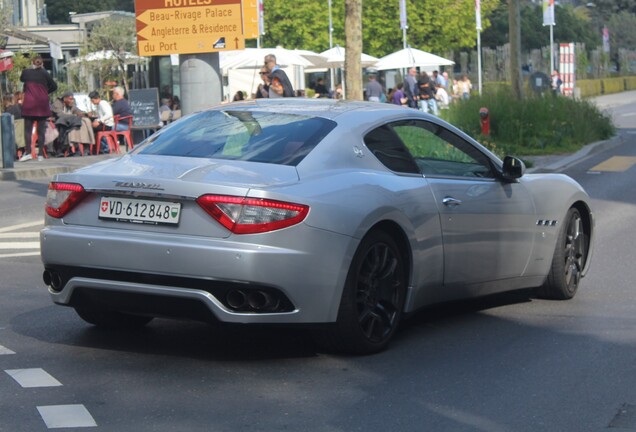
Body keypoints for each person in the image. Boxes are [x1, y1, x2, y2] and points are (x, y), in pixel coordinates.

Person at [19, 55, 57, 162]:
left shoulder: (26, 72)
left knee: (27, 130)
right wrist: (45, 92)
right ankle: (40, 154)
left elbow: (22, 79)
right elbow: (54, 86)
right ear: (42, 63)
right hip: (42, 105)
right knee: (41, 131)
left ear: (32, 62)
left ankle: (27, 152)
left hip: (29, 105)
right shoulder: (45, 73)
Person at [51, 90, 95, 155]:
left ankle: (85, 147)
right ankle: (73, 148)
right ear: (64, 98)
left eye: (72, 99)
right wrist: (74, 115)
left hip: (70, 123)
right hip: (58, 124)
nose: (72, 101)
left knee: (85, 121)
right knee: (73, 126)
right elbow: (60, 115)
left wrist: (84, 113)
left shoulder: (71, 104)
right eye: (70, 99)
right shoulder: (57, 104)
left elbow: (77, 111)